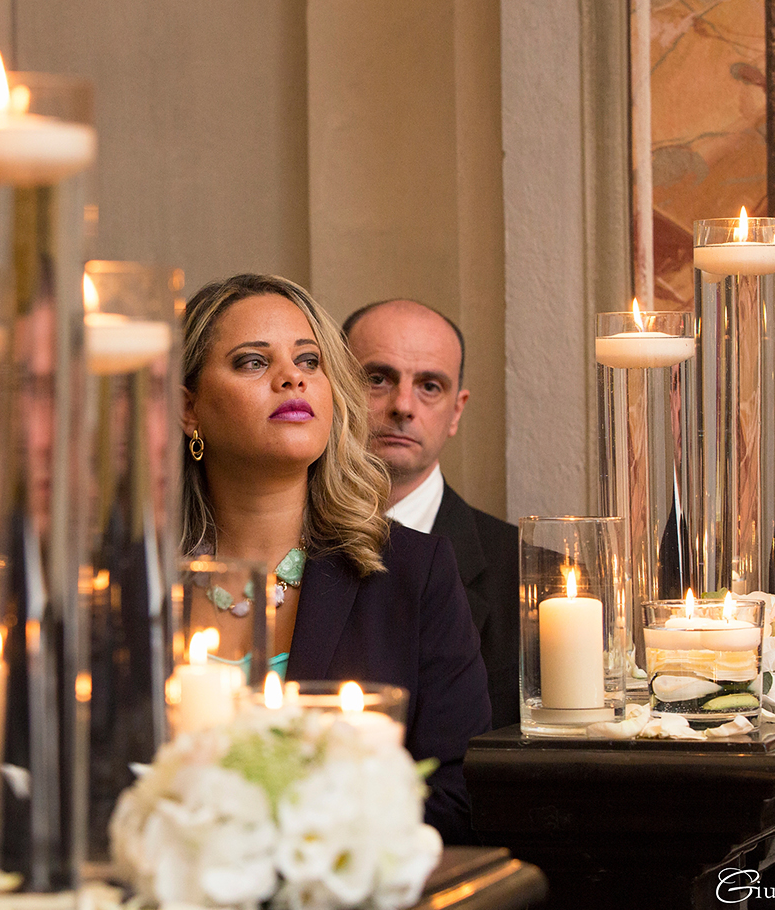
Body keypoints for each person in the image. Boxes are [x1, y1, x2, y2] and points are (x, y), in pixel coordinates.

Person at [180, 273, 491, 844]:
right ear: (188, 409)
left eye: (310, 361)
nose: (291, 377)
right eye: (252, 362)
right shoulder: (135, 584)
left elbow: (457, 796)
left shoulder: (413, 574)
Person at [343, 299, 521, 730]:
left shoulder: (525, 572)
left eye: (429, 386)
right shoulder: (283, 541)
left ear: (456, 411)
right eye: (378, 379)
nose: (403, 405)